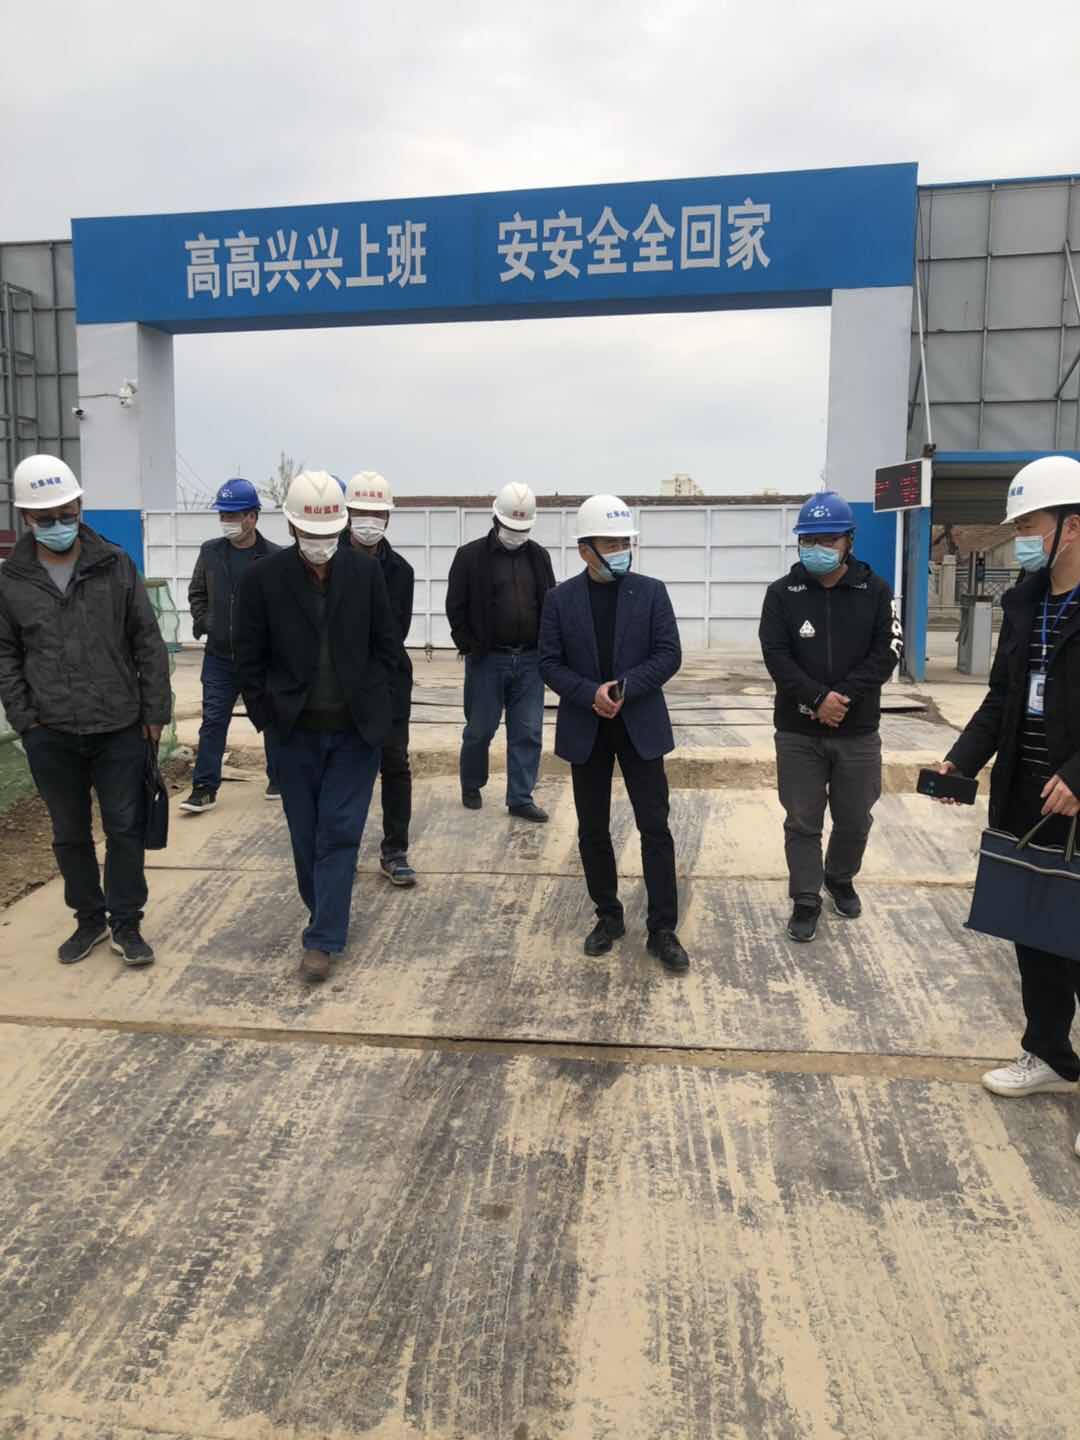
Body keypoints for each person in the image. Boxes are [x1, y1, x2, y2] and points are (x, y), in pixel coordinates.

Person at [937, 455, 1080, 1153]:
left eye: (1030, 525)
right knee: (1038, 934)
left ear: (1072, 526)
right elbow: (1002, 696)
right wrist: (960, 761)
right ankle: (1049, 1053)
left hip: (1076, 793)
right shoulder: (1025, 600)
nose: (1020, 538)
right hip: (1027, 795)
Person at [0, 454, 171, 966]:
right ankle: (89, 919)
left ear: (79, 505)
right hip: (50, 730)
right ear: (25, 517)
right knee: (69, 834)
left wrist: (154, 713)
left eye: (66, 513)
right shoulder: (12, 580)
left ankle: (126, 922)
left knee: (125, 829)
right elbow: (5, 653)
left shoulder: (114, 564)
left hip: (119, 726)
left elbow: (147, 641)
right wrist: (25, 719)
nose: (58, 524)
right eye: (44, 517)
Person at [233, 469, 400, 983]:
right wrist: (266, 715)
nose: (321, 543)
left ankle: (323, 938)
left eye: (329, 533)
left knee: (339, 832)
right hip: (294, 733)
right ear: (291, 526)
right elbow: (248, 656)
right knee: (306, 836)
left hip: (355, 733)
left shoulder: (366, 574)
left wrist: (388, 715)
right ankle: (323, 909)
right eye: (311, 533)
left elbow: (387, 648)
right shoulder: (262, 579)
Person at [539, 494, 688, 973]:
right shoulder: (560, 600)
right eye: (611, 544)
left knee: (655, 827)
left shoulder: (651, 592)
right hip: (587, 728)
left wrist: (625, 688)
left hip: (639, 724)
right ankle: (608, 916)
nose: (622, 551)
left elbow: (668, 654)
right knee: (593, 829)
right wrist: (590, 693)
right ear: (585, 550)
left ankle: (662, 928)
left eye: (626, 543)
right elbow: (549, 663)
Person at [759, 490, 902, 944]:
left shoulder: (875, 591)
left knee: (855, 818)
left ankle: (839, 877)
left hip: (857, 731)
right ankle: (806, 897)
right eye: (809, 540)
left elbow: (888, 652)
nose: (817, 548)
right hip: (797, 731)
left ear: (848, 541)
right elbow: (776, 655)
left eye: (828, 539)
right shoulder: (782, 594)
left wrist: (843, 698)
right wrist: (817, 698)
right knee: (802, 820)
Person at [446, 482, 555, 822]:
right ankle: (471, 783)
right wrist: (469, 645)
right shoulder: (470, 557)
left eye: (523, 528)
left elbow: (550, 602)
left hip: (530, 661)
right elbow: (455, 606)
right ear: (496, 519)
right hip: (487, 660)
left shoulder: (539, 557)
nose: (517, 534)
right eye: (511, 527)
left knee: (528, 732)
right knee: (480, 729)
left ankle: (520, 798)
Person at [182, 478, 280, 813]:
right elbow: (197, 593)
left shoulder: (274, 557)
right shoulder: (210, 552)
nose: (226, 521)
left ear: (252, 516)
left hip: (262, 660)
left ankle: (279, 778)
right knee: (212, 721)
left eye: (233, 515)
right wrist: (207, 621)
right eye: (223, 515)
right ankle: (204, 788)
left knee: (272, 719)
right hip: (220, 658)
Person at [344, 471, 416, 887]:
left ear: (388, 517)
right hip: (338, 686)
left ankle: (395, 850)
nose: (369, 521)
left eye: (378, 513)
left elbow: (394, 633)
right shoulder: (326, 562)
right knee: (347, 770)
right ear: (347, 513)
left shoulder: (400, 572)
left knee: (395, 765)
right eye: (362, 512)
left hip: (388, 684)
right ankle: (342, 849)